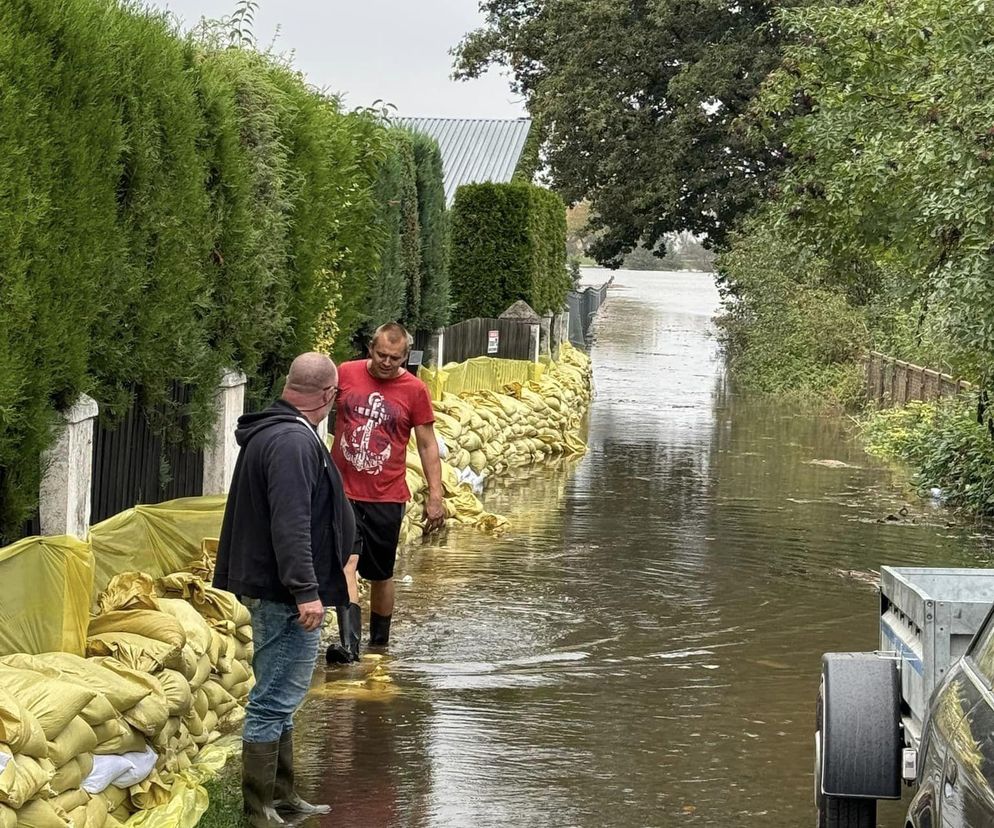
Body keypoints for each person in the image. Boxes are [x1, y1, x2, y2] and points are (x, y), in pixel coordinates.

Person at [213, 352, 355, 828]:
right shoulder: (293, 441)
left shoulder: (275, 432)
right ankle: (259, 810)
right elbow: (290, 523)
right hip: (285, 594)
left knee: (284, 698)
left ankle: (284, 796)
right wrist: (305, 590)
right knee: (272, 698)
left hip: (279, 589)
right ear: (329, 395)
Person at [326, 322, 446, 663]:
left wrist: (435, 495)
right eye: (381, 354)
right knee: (346, 563)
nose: (387, 362)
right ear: (370, 348)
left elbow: (426, 445)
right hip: (344, 492)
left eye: (395, 357)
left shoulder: (414, 390)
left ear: (406, 356)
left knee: (380, 575)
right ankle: (348, 646)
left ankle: (379, 643)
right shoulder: (345, 374)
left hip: (387, 496)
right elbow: (317, 409)